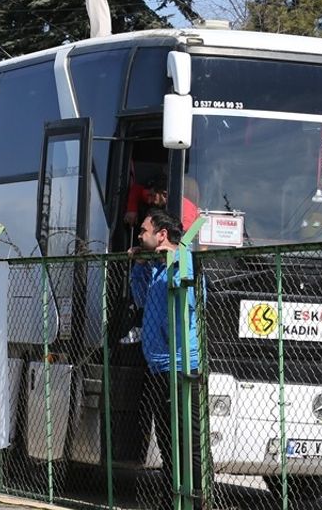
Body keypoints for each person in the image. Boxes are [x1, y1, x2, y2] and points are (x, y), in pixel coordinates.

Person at [130, 209, 204, 507]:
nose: (139, 235)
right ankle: (170, 498)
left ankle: (194, 500)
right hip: (158, 366)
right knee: (166, 440)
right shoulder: (157, 269)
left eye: (144, 230)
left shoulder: (184, 260)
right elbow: (139, 298)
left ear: (161, 234)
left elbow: (189, 297)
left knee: (188, 441)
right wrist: (139, 266)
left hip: (180, 365)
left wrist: (174, 257)